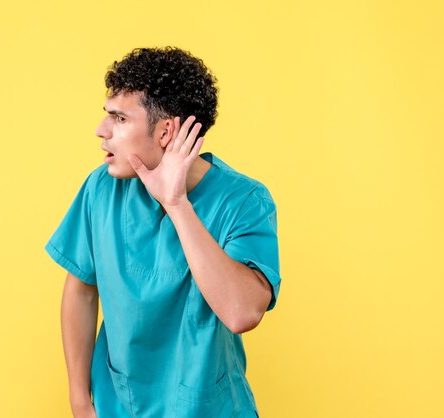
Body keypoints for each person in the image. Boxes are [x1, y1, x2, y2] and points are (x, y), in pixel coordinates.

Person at [45, 47, 282, 418]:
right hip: (119, 406)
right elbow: (80, 290)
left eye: (119, 118)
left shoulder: (243, 200)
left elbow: (241, 313)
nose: (101, 130)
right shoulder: (101, 189)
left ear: (166, 131)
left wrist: (176, 204)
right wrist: (79, 399)